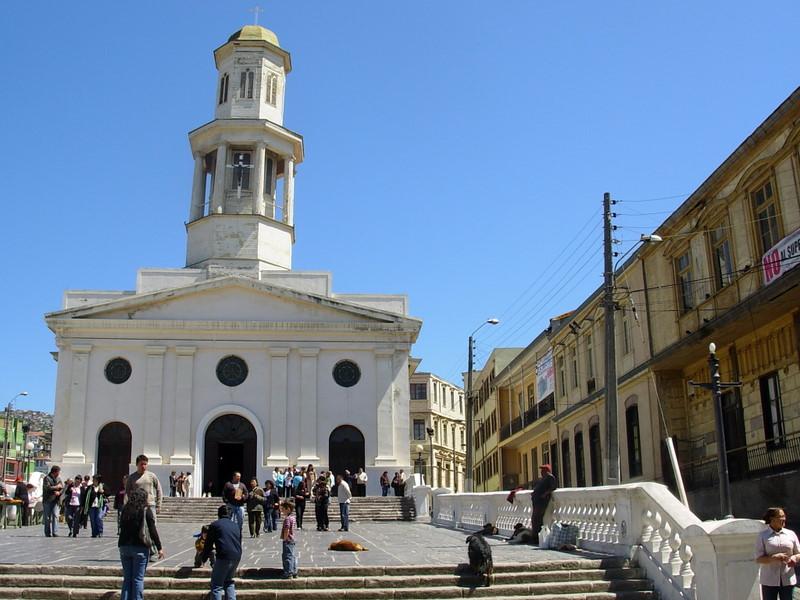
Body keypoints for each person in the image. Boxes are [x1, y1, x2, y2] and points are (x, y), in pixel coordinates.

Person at [118, 487, 164, 600]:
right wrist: (159, 548)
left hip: (124, 546)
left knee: (127, 579)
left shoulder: (125, 509)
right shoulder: (145, 511)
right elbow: (152, 530)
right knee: (138, 579)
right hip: (139, 547)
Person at [755, 507, 800, 600]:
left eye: (784, 516)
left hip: (788, 579)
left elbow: (799, 553)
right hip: (769, 580)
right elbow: (758, 559)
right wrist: (773, 558)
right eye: (780, 516)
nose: (783, 519)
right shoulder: (763, 536)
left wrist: (794, 559)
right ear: (772, 518)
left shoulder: (791, 534)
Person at [203, 505, 242, 600]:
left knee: (216, 585)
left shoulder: (215, 525)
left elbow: (208, 544)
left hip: (224, 555)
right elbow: (239, 541)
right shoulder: (236, 525)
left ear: (219, 514)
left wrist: (203, 558)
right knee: (228, 582)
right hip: (236, 555)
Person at [126, 455, 163, 519]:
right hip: (137, 507)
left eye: (145, 464)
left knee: (152, 526)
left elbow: (159, 489)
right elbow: (127, 492)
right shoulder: (132, 477)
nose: (143, 466)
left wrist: (158, 505)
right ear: (137, 464)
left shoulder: (151, 476)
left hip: (150, 505)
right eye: (141, 464)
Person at [530, 464, 557, 545]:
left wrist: (545, 494)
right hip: (537, 500)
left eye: (543, 470)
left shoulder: (550, 477)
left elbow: (553, 487)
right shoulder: (543, 478)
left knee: (537, 518)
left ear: (546, 471)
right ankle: (535, 537)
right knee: (534, 518)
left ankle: (537, 538)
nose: (541, 472)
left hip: (542, 500)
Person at [42, 465, 63, 537]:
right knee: (47, 517)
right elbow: (47, 488)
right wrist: (56, 487)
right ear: (55, 472)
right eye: (58, 472)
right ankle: (47, 532)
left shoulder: (59, 478)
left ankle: (55, 532)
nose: (59, 473)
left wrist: (59, 492)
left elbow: (62, 487)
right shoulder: (46, 478)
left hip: (56, 500)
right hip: (47, 500)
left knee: (55, 515)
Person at [280, 500, 298, 579]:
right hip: (292, 539)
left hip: (288, 539)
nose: (282, 511)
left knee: (287, 556)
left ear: (288, 509)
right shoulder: (293, 518)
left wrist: (285, 538)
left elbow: (286, 529)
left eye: (283, 509)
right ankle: (294, 571)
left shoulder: (287, 519)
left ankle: (288, 572)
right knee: (292, 556)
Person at [85, 474, 107, 538]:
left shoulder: (102, 486)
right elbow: (85, 496)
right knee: (92, 520)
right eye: (93, 479)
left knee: (99, 518)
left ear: (98, 480)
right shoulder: (90, 487)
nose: (94, 480)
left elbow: (108, 492)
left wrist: (103, 491)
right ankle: (94, 533)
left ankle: (100, 531)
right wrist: (84, 505)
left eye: (95, 479)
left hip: (99, 505)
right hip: (91, 506)